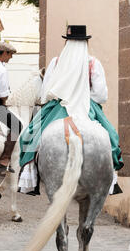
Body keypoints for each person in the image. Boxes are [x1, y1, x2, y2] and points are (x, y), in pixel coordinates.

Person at [19, 25, 124, 195]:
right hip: (87, 108)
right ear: (86, 43)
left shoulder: (56, 62)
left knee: (31, 135)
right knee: (110, 137)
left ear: (66, 42)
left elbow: (45, 92)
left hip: (59, 107)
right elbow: (101, 95)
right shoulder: (93, 63)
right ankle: (111, 178)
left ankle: (28, 178)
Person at [0, 42, 23, 173]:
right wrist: (4, 102)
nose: (11, 58)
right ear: (4, 53)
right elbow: (3, 94)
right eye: (10, 55)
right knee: (17, 125)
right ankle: (4, 159)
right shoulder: (2, 69)